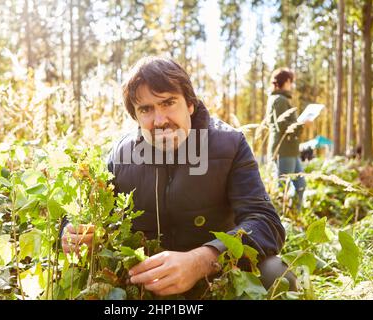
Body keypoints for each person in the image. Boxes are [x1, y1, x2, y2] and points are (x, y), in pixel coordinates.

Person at [61, 57, 297, 297]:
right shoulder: (120, 155)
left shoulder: (230, 145)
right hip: (143, 285)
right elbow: (78, 213)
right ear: (135, 115)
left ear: (190, 104)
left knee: (276, 274)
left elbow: (266, 222)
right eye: (146, 109)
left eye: (168, 103)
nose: (160, 120)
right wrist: (71, 232)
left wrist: (203, 259)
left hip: (218, 279)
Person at [266, 68, 311, 211]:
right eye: (291, 82)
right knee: (281, 188)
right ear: (286, 81)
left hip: (291, 150)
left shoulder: (279, 99)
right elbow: (282, 126)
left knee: (301, 185)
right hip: (283, 150)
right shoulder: (279, 100)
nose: (292, 85)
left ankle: (293, 216)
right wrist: (301, 123)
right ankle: (279, 219)